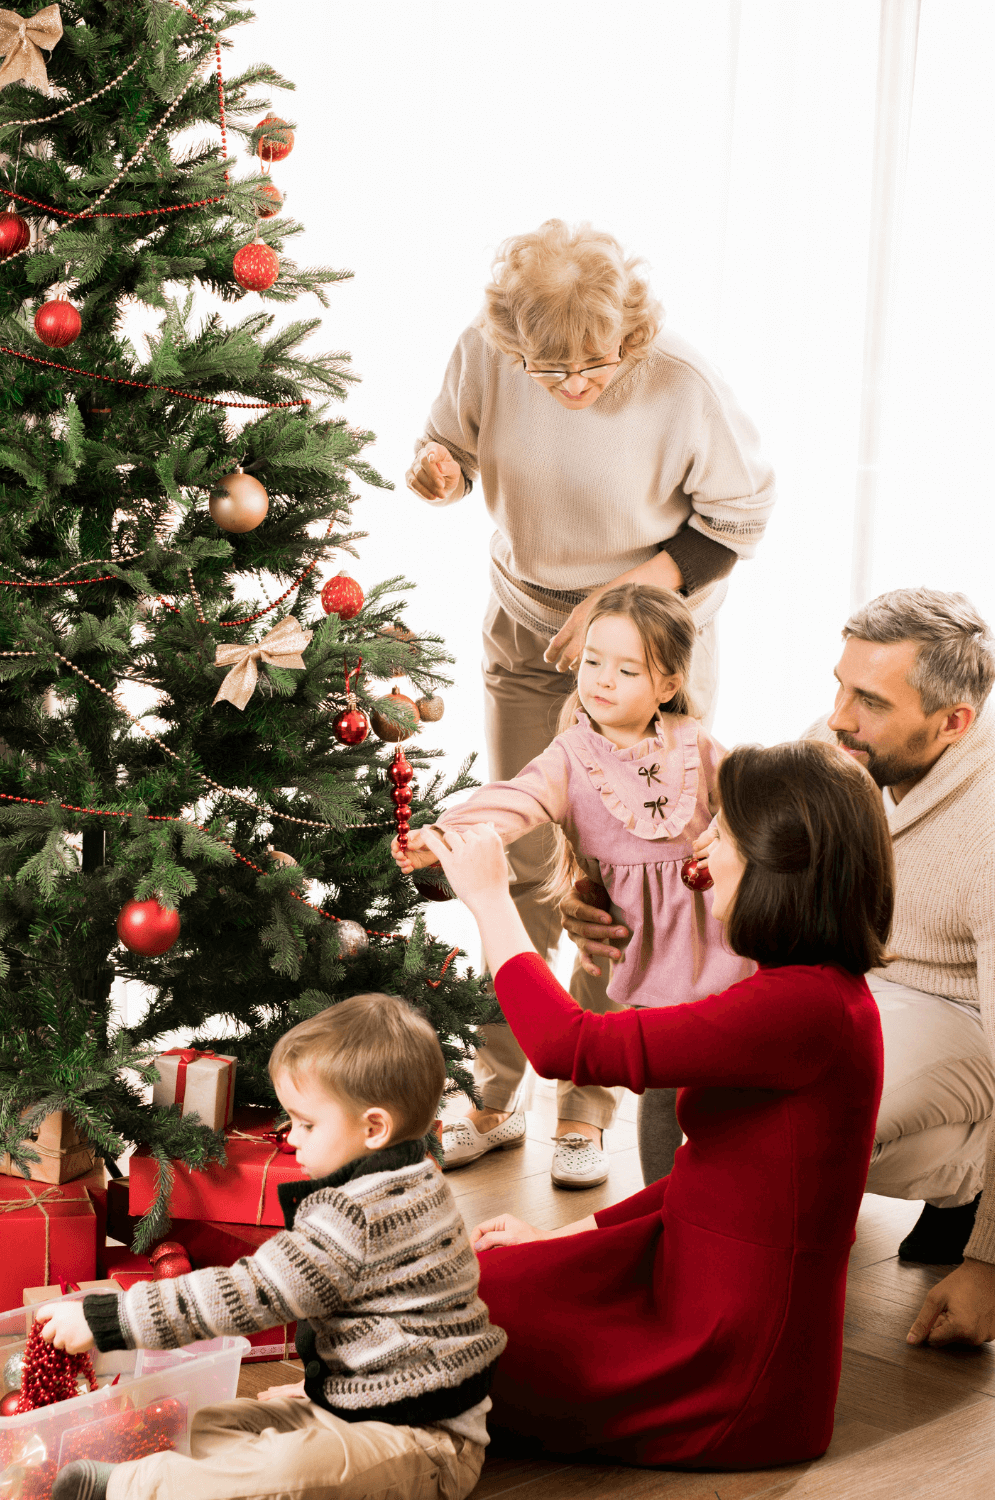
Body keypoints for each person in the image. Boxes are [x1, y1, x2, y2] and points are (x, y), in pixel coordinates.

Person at [407, 219, 775, 1188]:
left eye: (594, 368)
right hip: (531, 637)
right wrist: (440, 470)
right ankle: (496, 1083)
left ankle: (587, 1101)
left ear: (632, 335)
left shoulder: (680, 382)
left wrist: (629, 600)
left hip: (646, 648)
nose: (574, 387)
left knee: (629, 883)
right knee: (519, 863)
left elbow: (738, 518)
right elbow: (450, 444)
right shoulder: (487, 353)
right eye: (548, 371)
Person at [431, 741, 890, 1467]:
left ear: (780, 867)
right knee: (459, 1288)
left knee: (440, 1328)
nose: (704, 843)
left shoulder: (805, 1010)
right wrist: (564, 1238)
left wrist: (490, 897)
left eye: (725, 833)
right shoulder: (805, 990)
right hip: (686, 1285)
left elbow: (565, 1044)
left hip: (725, 1363)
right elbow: (714, 1175)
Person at [566, 586, 995, 1347]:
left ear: (954, 722)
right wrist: (595, 892)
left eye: (869, 700)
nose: (836, 716)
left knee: (780, 1114)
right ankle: (671, 1246)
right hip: (834, 977)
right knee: (685, 1036)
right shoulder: (839, 754)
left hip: (960, 1012)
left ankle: (742, 1273)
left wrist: (992, 1263)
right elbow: (707, 855)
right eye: (839, 684)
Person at [34, 993, 505, 1500]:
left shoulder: (361, 1214)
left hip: (426, 1442)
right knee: (206, 1425)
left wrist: (113, 1320)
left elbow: (249, 1293)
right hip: (353, 1406)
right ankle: (192, 1477)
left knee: (289, 1467)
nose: (291, 1138)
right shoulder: (410, 1176)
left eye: (306, 1124)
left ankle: (134, 1490)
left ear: (373, 1128)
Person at [394, 583, 752, 1184]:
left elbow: (750, 800)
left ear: (666, 686)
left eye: (627, 670)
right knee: (657, 1080)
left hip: (717, 939)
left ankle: (732, 1187)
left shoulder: (694, 742)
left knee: (723, 1075)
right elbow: (516, 799)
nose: (602, 680)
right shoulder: (570, 756)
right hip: (636, 949)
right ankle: (660, 1201)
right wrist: (445, 834)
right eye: (592, 663)